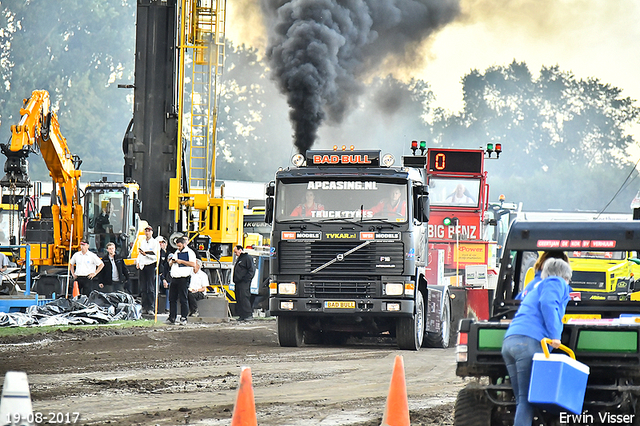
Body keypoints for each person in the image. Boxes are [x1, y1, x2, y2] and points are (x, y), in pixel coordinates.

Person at [501, 258, 573, 426]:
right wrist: (555, 336)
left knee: (521, 399)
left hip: (510, 342)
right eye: (568, 279)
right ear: (564, 276)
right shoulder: (555, 282)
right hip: (529, 343)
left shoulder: (536, 287)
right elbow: (548, 304)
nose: (568, 283)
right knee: (526, 400)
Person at [166, 236, 196, 325]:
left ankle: (184, 317)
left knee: (183, 298)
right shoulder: (176, 252)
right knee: (172, 298)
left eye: (180, 246)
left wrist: (181, 261)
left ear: (184, 244)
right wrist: (172, 262)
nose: (178, 248)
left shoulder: (190, 252)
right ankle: (172, 316)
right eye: (177, 246)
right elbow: (172, 263)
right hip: (175, 277)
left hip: (184, 277)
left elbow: (193, 264)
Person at [135, 225, 160, 314]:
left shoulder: (155, 243)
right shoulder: (142, 242)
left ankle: (151, 307)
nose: (147, 233)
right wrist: (138, 262)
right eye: (146, 231)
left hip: (150, 265)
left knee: (150, 288)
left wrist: (146, 255)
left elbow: (156, 257)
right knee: (143, 287)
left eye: (149, 231)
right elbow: (139, 254)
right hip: (143, 265)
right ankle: (144, 306)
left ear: (152, 232)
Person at [232, 245, 255, 321]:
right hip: (238, 282)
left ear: (240, 250)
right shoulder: (239, 259)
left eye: (236, 252)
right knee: (239, 298)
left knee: (244, 297)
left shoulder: (247, 258)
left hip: (244, 282)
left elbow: (251, 270)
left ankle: (248, 314)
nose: (235, 254)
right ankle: (242, 315)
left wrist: (246, 279)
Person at [158, 236, 171, 313]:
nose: (161, 244)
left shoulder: (168, 254)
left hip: (167, 278)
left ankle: (167, 308)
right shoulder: (157, 253)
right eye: (159, 243)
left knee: (169, 288)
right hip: (159, 276)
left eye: (163, 242)